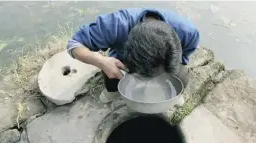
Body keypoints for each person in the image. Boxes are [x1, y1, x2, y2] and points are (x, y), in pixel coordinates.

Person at [67, 8, 200, 104]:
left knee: (182, 74)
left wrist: (171, 71)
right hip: (122, 64)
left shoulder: (189, 33)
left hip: (168, 63)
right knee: (111, 70)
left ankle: (174, 97)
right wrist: (101, 61)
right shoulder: (115, 25)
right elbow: (74, 44)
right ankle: (112, 92)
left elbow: (183, 59)